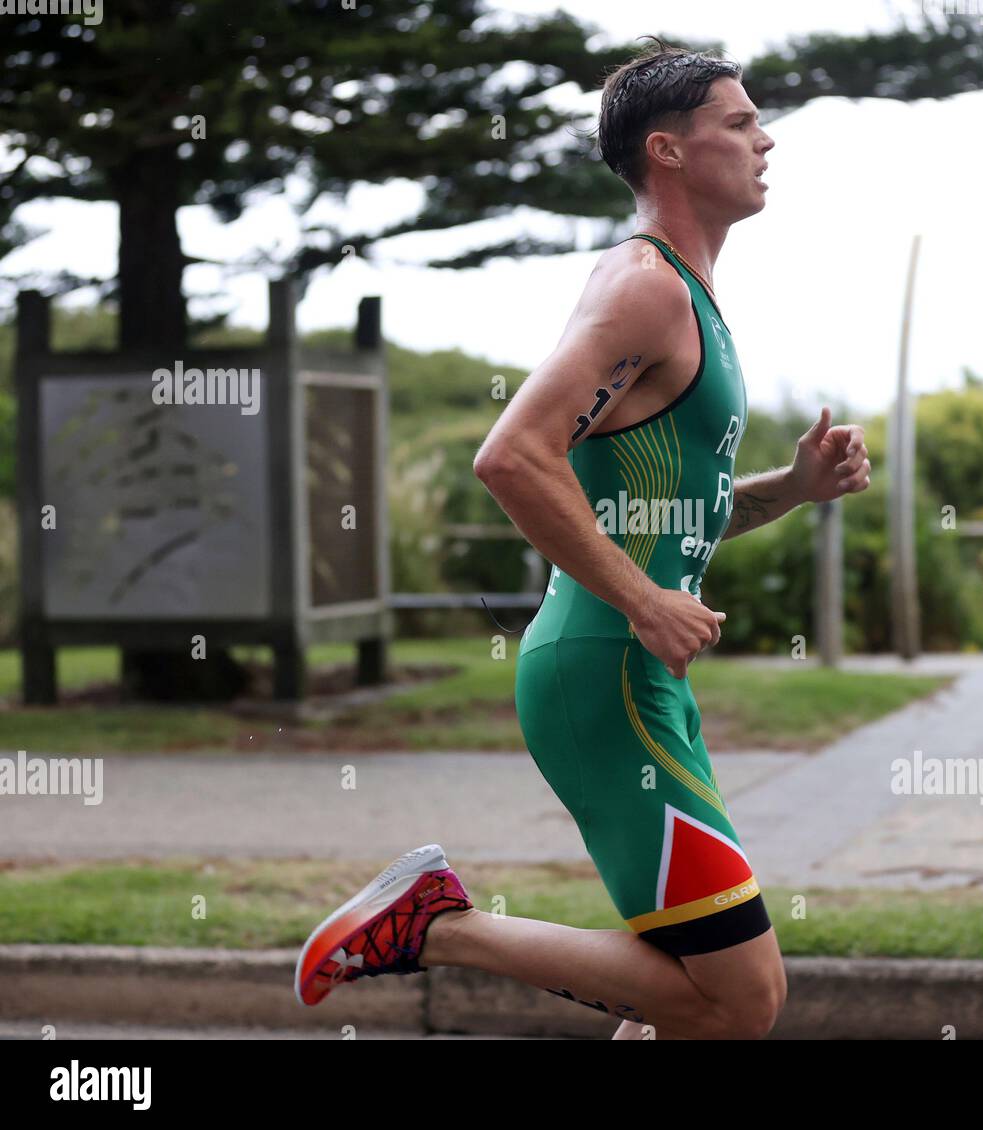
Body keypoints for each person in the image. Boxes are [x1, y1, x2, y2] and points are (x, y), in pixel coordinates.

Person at [294, 37, 870, 1039]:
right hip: (604, 676)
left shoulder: (686, 296)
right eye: (738, 123)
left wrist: (793, 486)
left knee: (678, 995)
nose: (764, 140)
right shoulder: (643, 286)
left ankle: (439, 921)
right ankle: (436, 926)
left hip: (629, 677)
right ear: (669, 151)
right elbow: (511, 456)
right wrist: (644, 601)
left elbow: (662, 514)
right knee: (740, 1000)